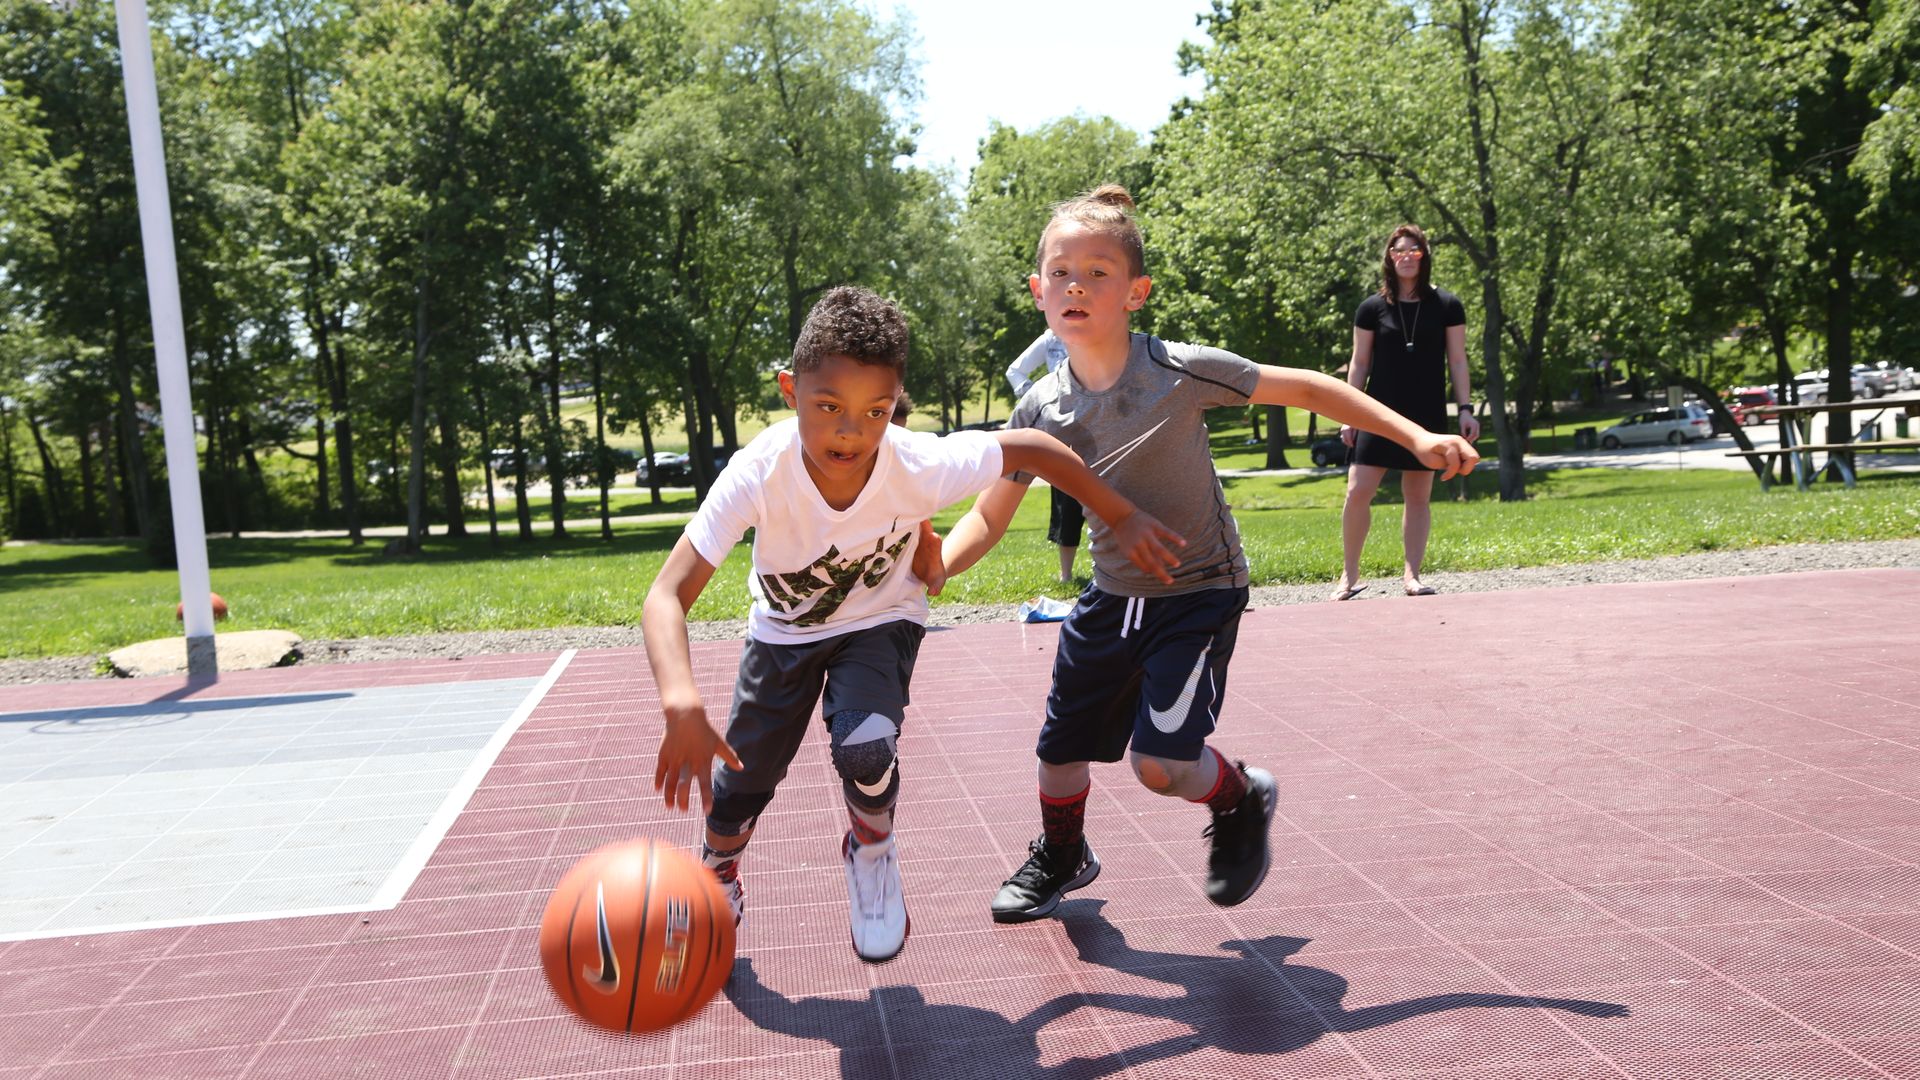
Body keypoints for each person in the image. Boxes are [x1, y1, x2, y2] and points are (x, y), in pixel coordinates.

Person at [938, 187, 1477, 923]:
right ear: (1038, 291)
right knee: (1059, 750)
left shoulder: (1177, 371)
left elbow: (1308, 388)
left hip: (1198, 590)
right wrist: (934, 566)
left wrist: (1417, 436)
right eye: (1061, 273)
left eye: (1097, 273)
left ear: (1136, 292)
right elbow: (987, 516)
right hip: (1111, 597)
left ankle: (1240, 795)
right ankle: (1063, 855)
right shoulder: (1040, 410)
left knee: (1159, 766)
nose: (1075, 287)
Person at [640, 285, 1184, 963]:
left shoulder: (917, 462)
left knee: (867, 747)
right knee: (739, 789)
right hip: (784, 634)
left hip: (881, 620)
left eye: (875, 412)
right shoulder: (758, 473)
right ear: (790, 390)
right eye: (828, 407)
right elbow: (666, 595)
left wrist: (1120, 514)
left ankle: (872, 850)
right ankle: (719, 869)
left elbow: (1037, 449)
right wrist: (681, 701)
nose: (850, 431)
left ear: (896, 404)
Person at [1334, 224, 1481, 601]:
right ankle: (1349, 576)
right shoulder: (1371, 308)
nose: (1406, 257)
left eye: (1414, 250)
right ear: (1390, 257)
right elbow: (1359, 363)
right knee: (1357, 491)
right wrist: (1349, 413)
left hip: (1425, 414)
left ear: (1424, 256)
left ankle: (1412, 576)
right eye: (1399, 250)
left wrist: (1466, 410)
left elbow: (1458, 361)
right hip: (1376, 412)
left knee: (1417, 496)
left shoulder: (1447, 305)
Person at [1008, 334, 1085, 583]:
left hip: (1100, 415)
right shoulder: (1049, 340)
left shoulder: (1097, 332)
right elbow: (1015, 371)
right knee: (1067, 498)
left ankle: (1108, 567)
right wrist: (1037, 396)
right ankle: (1067, 575)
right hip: (1063, 425)